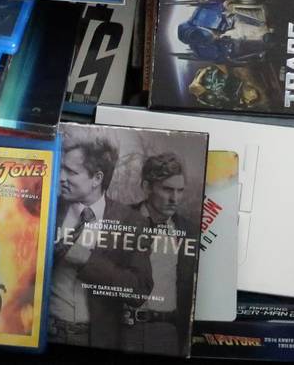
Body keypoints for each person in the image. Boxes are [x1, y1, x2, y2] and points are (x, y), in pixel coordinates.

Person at [48, 136, 153, 349]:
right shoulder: (48, 207)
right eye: (61, 169)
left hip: (95, 339)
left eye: (71, 172)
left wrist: (87, 260)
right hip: (46, 333)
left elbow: (139, 291)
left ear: (97, 178)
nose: (61, 177)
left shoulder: (131, 221)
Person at [122, 152, 197, 356]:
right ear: (147, 187)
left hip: (166, 333)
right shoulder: (119, 219)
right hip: (123, 330)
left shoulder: (189, 231)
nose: (175, 199)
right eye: (167, 189)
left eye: (180, 190)